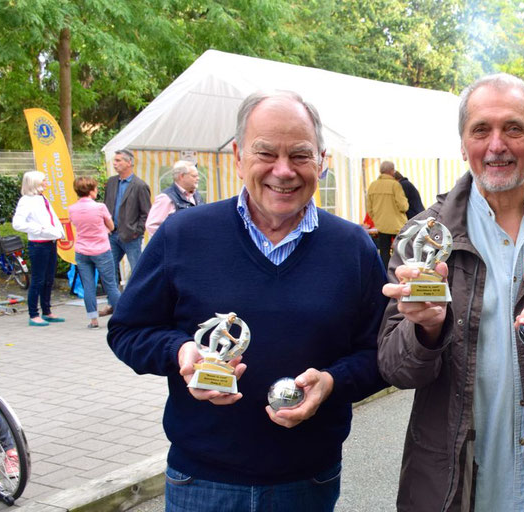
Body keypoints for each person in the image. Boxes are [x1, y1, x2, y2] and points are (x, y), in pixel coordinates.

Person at [107, 90, 388, 511]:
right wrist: (179, 351)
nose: (283, 171)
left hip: (307, 480)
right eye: (265, 153)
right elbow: (127, 331)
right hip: (201, 480)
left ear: (321, 159)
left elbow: (380, 353)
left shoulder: (352, 247)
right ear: (238, 155)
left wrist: (332, 383)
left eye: (299, 155)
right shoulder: (183, 235)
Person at [379, 73, 524, 511]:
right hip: (449, 479)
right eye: (481, 130)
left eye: (513, 128)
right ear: (463, 142)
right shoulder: (424, 238)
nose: (496, 145)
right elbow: (395, 368)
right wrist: (426, 332)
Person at [12, 171, 65, 327]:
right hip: (38, 244)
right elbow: (18, 223)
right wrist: (41, 229)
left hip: (50, 242)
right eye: (44, 180)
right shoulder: (26, 201)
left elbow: (51, 218)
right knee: (38, 280)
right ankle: (33, 314)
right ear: (35, 182)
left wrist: (58, 232)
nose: (46, 182)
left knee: (49, 279)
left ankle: (47, 311)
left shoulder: (42, 198)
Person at [68, 176, 122, 328]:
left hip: (81, 251)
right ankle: (121, 318)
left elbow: (76, 225)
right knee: (110, 284)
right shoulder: (100, 207)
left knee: (88, 286)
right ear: (91, 191)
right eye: (96, 189)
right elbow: (111, 226)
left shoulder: (72, 208)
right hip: (101, 250)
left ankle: (93, 320)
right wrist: (103, 230)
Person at [103, 149, 151, 282]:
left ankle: (135, 300)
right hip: (112, 234)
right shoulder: (111, 182)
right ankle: (113, 301)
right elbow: (105, 206)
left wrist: (137, 231)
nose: (114, 163)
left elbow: (146, 213)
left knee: (137, 270)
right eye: (114, 160)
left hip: (131, 236)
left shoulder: (140, 185)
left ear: (129, 162)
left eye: (118, 160)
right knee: (108, 269)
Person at [366, 160, 409, 267]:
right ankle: (398, 272)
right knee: (400, 250)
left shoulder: (373, 185)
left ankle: (385, 274)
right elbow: (403, 206)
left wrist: (377, 218)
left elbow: (369, 208)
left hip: (381, 225)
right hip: (397, 225)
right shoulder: (395, 185)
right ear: (391, 171)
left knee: (384, 252)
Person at [145, 160, 203, 235]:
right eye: (194, 176)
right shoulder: (166, 198)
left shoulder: (196, 196)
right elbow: (152, 226)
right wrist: (171, 241)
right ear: (182, 176)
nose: (198, 178)